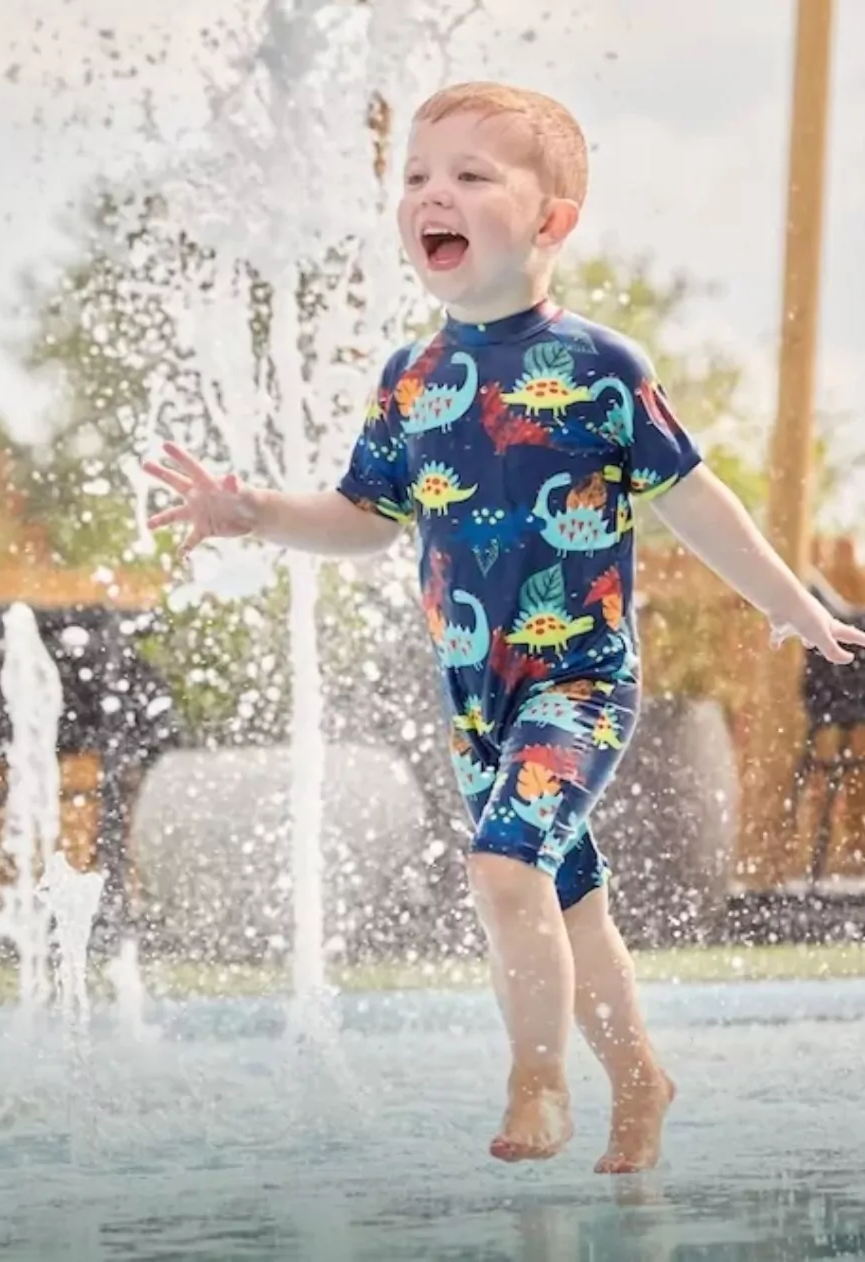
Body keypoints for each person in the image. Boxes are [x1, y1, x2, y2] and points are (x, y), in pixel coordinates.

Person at [143, 81, 865, 1174]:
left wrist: (791, 601)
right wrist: (255, 512)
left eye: (472, 175)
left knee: (499, 867)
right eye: (417, 178)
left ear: (551, 219)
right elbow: (362, 518)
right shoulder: (412, 379)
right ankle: (640, 1080)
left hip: (577, 677)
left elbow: (691, 494)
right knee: (563, 898)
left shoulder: (599, 368)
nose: (434, 193)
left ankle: (538, 1076)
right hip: (474, 696)